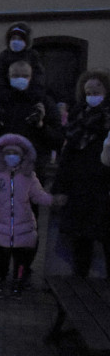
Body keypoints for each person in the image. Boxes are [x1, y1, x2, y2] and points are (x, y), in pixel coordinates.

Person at [0, 60, 63, 287]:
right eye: (15, 74)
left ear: (32, 76)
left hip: (29, 175)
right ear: (8, 76)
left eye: (24, 74)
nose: (20, 78)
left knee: (26, 228)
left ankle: (22, 273)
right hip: (0, 175)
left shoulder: (43, 101)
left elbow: (57, 138)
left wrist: (41, 126)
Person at [0, 134, 66, 298]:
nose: (11, 156)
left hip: (23, 225)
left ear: (22, 156)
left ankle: (18, 283)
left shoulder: (29, 177)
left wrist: (53, 200)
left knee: (21, 259)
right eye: (8, 153)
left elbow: (38, 195)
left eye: (15, 153)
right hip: (0, 225)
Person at [51, 69, 110, 278]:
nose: (92, 96)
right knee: (80, 240)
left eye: (97, 91)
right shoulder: (78, 117)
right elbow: (67, 157)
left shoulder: (107, 119)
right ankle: (79, 285)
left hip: (104, 187)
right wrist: (60, 188)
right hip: (80, 188)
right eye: (88, 92)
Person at [0, 22, 46, 98]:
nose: (16, 41)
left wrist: (35, 89)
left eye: (20, 39)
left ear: (26, 41)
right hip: (7, 94)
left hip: (30, 94)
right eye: (13, 38)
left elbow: (39, 74)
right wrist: (2, 89)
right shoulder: (3, 56)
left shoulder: (32, 55)